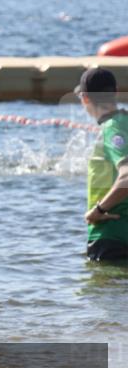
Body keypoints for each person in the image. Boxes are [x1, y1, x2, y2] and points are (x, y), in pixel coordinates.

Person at [77, 68, 128, 263]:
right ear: (115, 92)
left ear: (85, 98)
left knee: (102, 283)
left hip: (111, 237)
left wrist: (98, 210)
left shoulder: (112, 127)